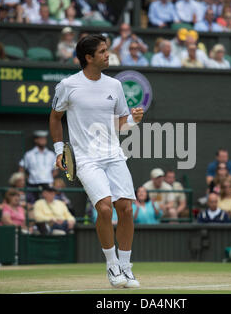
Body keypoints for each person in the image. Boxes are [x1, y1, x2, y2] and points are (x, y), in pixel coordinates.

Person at [49, 34, 143, 288]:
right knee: (104, 208)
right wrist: (60, 151)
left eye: (107, 50)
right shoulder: (68, 85)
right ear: (88, 58)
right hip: (86, 158)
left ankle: (126, 266)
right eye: (102, 51)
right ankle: (112, 266)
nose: (107, 54)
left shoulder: (115, 85)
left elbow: (122, 123)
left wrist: (134, 119)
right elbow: (55, 118)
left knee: (125, 208)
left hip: (113, 154)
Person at [19, 130, 57, 204]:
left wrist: (48, 178)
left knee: (48, 205)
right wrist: (28, 178)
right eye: (40, 138)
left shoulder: (51, 155)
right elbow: (21, 168)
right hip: (33, 185)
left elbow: (55, 170)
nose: (43, 140)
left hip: (48, 185)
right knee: (32, 204)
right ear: (36, 140)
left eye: (44, 138)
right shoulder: (29, 154)